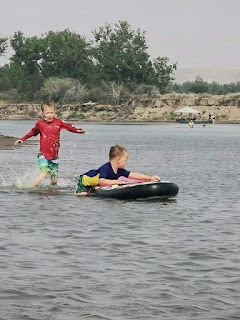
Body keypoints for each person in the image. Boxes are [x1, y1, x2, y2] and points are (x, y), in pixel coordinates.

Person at [15, 101, 87, 187]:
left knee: (54, 181)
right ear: (43, 114)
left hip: (54, 156)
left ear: (54, 113)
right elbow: (33, 132)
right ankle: (28, 187)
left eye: (51, 113)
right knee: (43, 176)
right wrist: (22, 139)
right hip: (43, 155)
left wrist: (78, 130)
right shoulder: (40, 124)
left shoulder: (59, 122)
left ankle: (50, 194)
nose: (49, 115)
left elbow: (69, 126)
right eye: (47, 113)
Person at [75, 144, 160, 196]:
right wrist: (117, 182)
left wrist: (150, 178)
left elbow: (134, 175)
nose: (126, 162)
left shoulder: (120, 171)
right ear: (118, 159)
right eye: (125, 160)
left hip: (96, 183)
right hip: (85, 181)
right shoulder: (106, 167)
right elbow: (102, 181)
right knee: (83, 195)